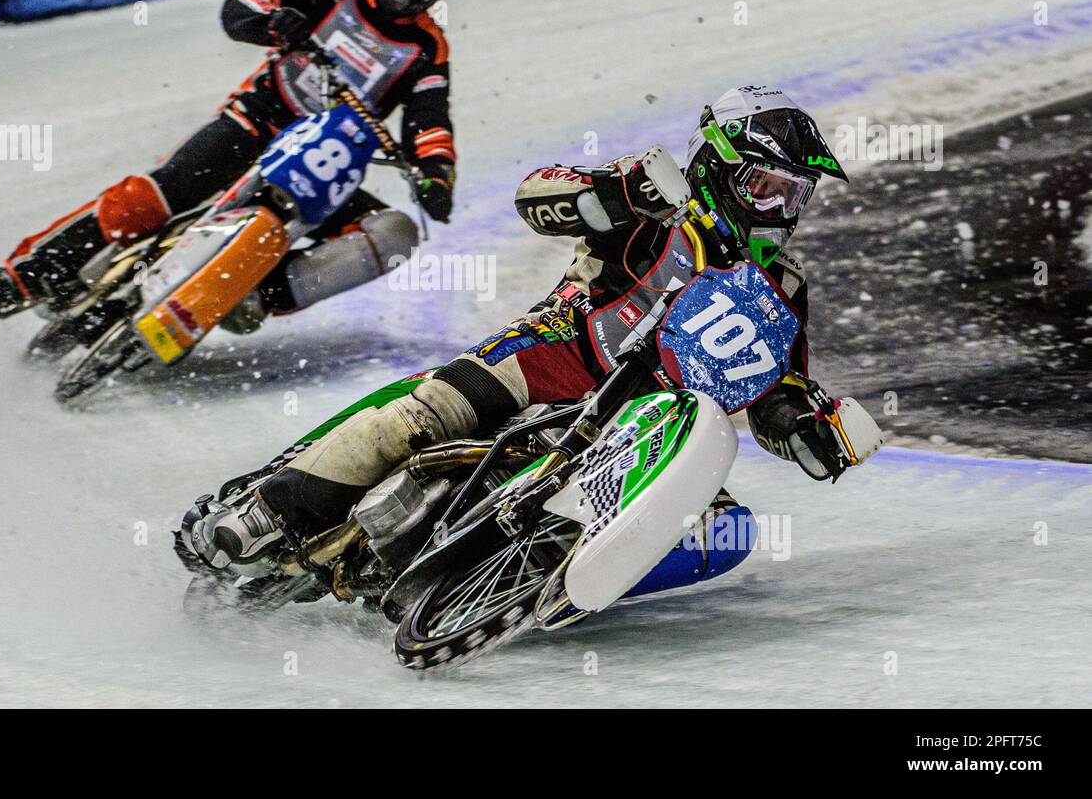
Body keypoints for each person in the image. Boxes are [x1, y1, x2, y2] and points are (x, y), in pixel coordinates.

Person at [184, 85, 885, 567]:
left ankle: (537, 574)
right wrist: (612, 192)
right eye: (767, 186)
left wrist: (803, 425)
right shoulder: (662, 197)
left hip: (648, 433)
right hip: (554, 357)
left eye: (797, 193)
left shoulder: (784, 290)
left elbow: (771, 381)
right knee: (424, 414)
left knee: (727, 532)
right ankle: (269, 513)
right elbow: (537, 196)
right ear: (722, 167)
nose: (782, 208)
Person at [0, 0, 465, 339]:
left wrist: (436, 175)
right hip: (257, 126)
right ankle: (26, 274)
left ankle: (257, 292)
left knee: (395, 235)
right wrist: (269, 22)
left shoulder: (427, 46)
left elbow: (429, 118)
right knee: (158, 193)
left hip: (326, 169)